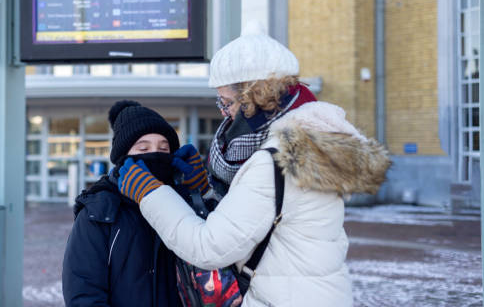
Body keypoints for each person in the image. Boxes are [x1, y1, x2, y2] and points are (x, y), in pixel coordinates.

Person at [118, 21, 391, 307]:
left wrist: (151, 193)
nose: (225, 114)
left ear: (253, 98)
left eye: (227, 103)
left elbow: (208, 246)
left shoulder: (276, 162)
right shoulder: (306, 145)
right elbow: (260, 222)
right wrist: (209, 193)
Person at [62, 100, 181, 307]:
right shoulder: (99, 212)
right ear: (123, 157)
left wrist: (202, 195)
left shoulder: (182, 203)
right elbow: (84, 294)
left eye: (164, 148)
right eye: (143, 148)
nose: (156, 154)